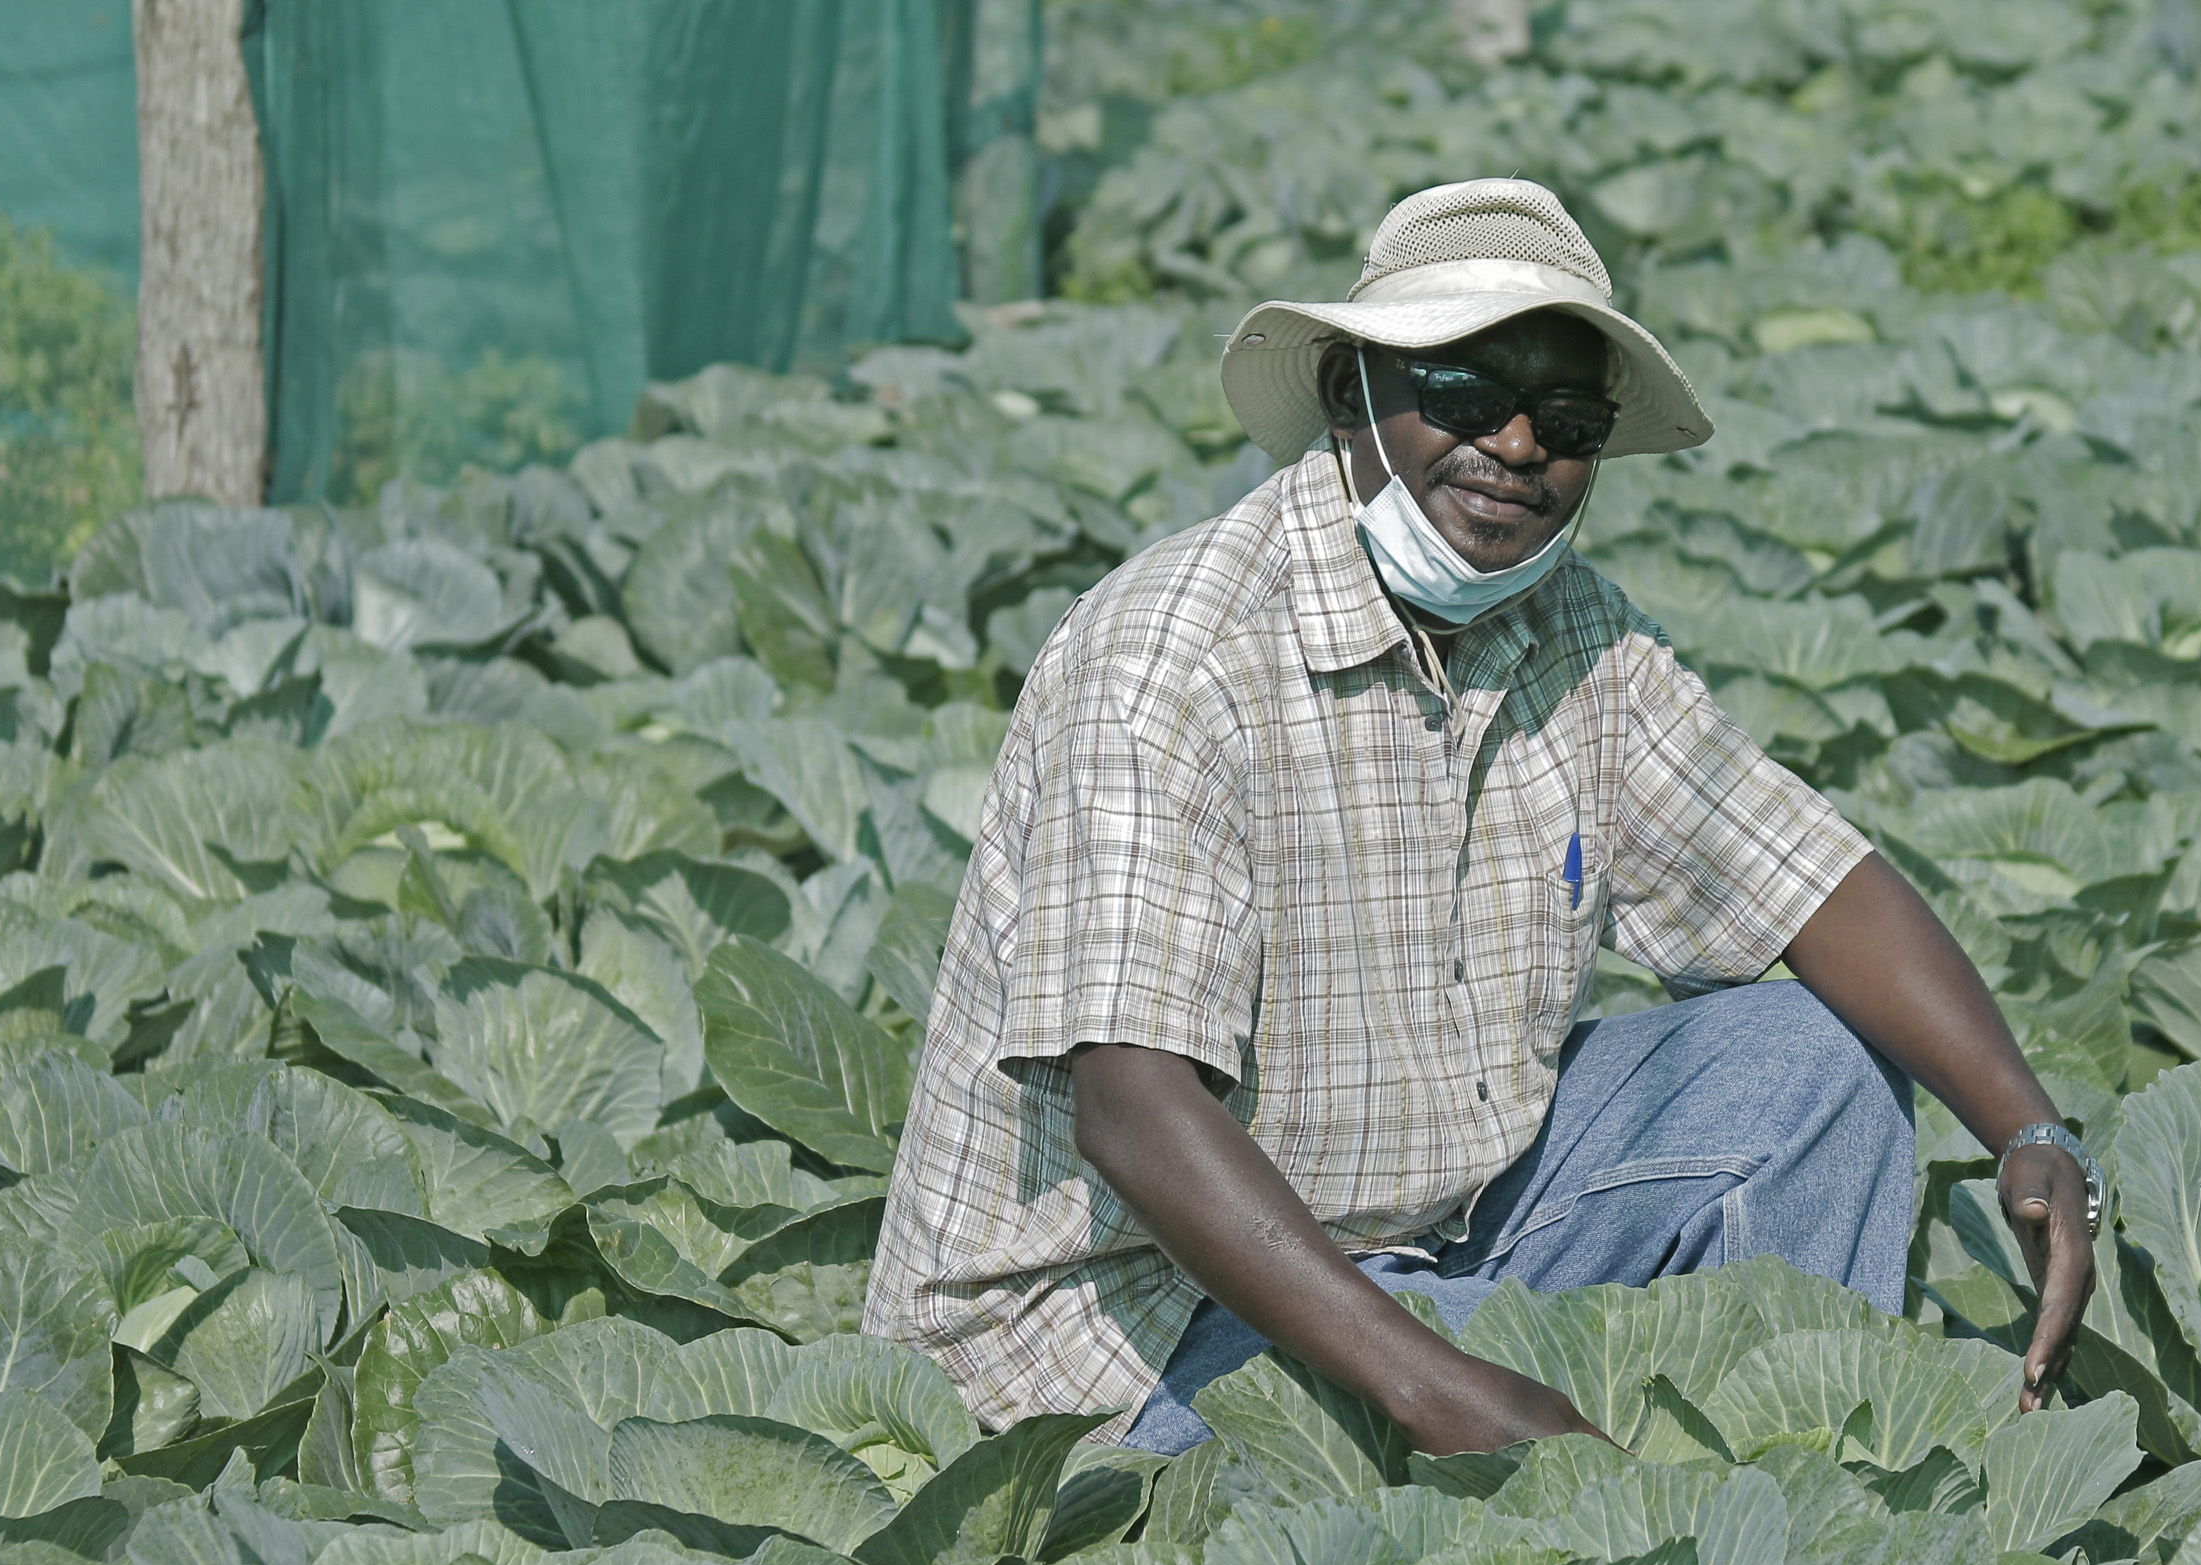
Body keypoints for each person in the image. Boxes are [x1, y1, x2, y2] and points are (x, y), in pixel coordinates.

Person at [864, 178, 2096, 1456]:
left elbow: (1809, 879)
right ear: (1353, 393)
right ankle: (1587, 1447)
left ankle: (1794, 1482)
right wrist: (1442, 1384)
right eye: (1461, 394)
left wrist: (2028, 1123)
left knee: (1816, 1060)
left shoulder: (1574, 634)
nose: (1516, 445)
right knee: (1414, 1391)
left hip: (1436, 1216)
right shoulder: (1178, 654)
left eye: (1565, 420)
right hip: (1124, 1321)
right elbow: (1132, 1108)